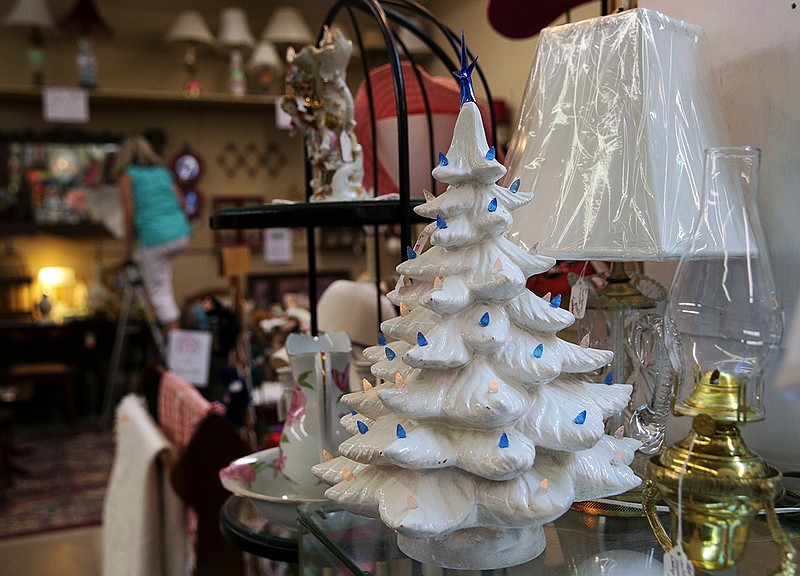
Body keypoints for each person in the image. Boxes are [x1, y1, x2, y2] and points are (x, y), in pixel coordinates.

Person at [113, 132, 192, 333]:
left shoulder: (128, 175)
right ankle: (166, 327)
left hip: (155, 238)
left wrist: (127, 251)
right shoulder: (162, 172)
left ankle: (174, 342)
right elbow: (182, 202)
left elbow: (129, 214)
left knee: (159, 293)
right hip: (181, 235)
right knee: (159, 279)